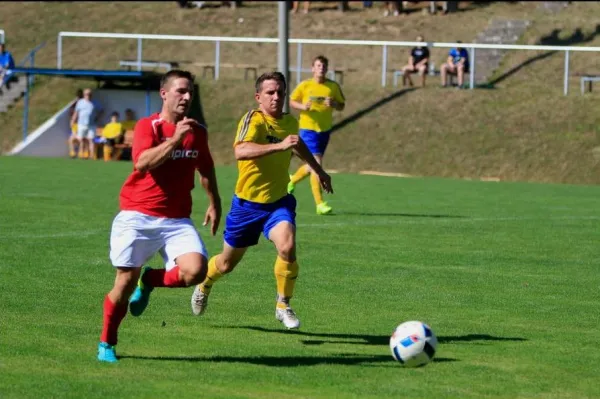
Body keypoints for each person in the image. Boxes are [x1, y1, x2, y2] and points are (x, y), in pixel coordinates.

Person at [190, 71, 333, 330]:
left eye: (280, 92)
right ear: (259, 97)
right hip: (246, 206)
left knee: (287, 247)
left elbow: (298, 145)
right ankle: (205, 284)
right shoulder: (253, 119)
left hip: (278, 203)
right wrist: (278, 146)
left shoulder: (290, 122)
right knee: (226, 264)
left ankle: (283, 304)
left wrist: (319, 171)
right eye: (270, 92)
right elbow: (240, 150)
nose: (276, 96)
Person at [97, 69, 222, 363]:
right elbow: (142, 163)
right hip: (137, 215)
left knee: (196, 271)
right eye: (181, 91)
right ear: (164, 94)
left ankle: (151, 280)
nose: (187, 97)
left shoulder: (198, 132)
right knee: (124, 283)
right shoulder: (147, 126)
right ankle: (107, 343)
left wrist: (215, 202)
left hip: (176, 219)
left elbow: (205, 169)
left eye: (190, 92)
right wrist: (175, 140)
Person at [288, 55, 345, 215]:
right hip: (307, 129)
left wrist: (334, 104)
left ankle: (291, 181)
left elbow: (342, 105)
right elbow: (292, 100)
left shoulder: (332, 86)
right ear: (312, 68)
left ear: (327, 69)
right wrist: (302, 106)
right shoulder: (305, 85)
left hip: (324, 130)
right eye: (318, 65)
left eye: (324, 66)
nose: (321, 68)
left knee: (311, 165)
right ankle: (320, 204)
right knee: (316, 165)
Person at [70, 88, 103, 159]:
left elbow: (101, 110)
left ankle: (91, 156)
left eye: (89, 94)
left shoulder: (95, 102)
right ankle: (81, 153)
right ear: (84, 95)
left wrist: (97, 117)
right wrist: (73, 120)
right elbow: (76, 112)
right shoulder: (80, 102)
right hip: (81, 124)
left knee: (91, 139)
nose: (88, 96)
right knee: (81, 139)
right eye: (86, 94)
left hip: (92, 124)